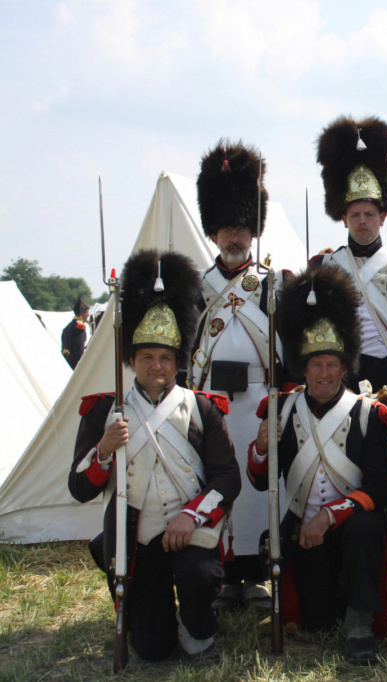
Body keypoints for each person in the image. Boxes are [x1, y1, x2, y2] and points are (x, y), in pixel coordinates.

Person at [69, 250, 240, 665]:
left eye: (165, 357)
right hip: (137, 538)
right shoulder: (102, 411)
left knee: (200, 575)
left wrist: (191, 516)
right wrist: (104, 451)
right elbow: (79, 489)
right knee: (151, 649)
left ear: (177, 361)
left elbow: (226, 479)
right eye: (147, 356)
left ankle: (197, 631)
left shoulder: (203, 408)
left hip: (190, 530)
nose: (157, 366)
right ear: (131, 360)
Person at [248, 265, 387, 665]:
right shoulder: (280, 410)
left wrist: (330, 516)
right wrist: (261, 449)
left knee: (366, 525)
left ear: (345, 367)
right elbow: (261, 482)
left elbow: (381, 489)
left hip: (350, 534)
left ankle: (360, 626)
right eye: (316, 364)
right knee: (314, 620)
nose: (324, 373)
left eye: (332, 365)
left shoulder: (369, 414)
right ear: (304, 367)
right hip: (303, 533)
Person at [190, 140, 286, 612]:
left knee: (256, 487)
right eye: (227, 228)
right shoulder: (196, 288)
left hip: (257, 398)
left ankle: (256, 574)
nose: (235, 236)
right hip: (210, 401)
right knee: (218, 480)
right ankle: (224, 576)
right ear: (213, 233)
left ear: (254, 231)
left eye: (242, 227)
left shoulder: (272, 285)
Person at [312, 115, 387, 400]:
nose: (362, 221)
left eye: (369, 214)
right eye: (355, 215)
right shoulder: (323, 268)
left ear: (383, 217)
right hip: (339, 378)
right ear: (344, 219)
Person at [61, 296, 91, 369]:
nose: (88, 315)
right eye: (87, 312)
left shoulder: (67, 327)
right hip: (75, 365)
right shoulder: (79, 328)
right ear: (81, 314)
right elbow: (79, 349)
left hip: (66, 363)